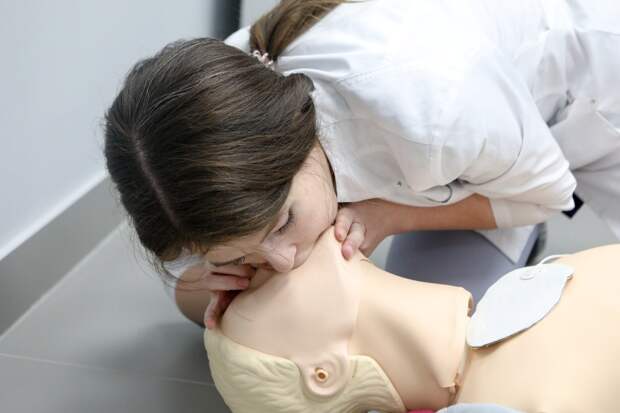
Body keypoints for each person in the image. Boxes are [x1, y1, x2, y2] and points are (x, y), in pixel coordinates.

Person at [103, 0, 620, 328]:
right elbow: (189, 292)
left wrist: (393, 216)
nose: (283, 261)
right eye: (243, 253)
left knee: (444, 344)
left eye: (283, 224)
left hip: (593, 82)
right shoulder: (216, 122)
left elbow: (549, 192)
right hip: (483, 140)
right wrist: (224, 283)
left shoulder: (428, 108)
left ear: (296, 143)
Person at [205, 225, 620, 412]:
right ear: (323, 374)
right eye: (257, 289)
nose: (272, 262)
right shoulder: (498, 403)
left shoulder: (510, 308)